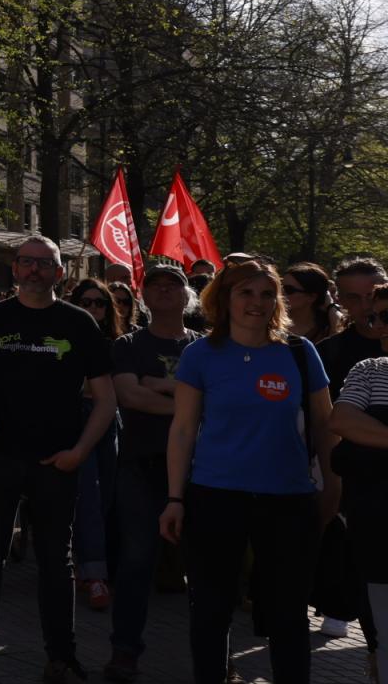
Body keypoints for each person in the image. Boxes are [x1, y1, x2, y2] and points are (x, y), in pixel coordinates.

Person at [0, 236, 115, 683]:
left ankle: (61, 659)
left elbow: (107, 400)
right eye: (28, 262)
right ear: (15, 269)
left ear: (60, 272)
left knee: (56, 564)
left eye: (45, 264)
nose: (35, 270)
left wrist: (79, 451)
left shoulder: (78, 323)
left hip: (57, 464)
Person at [161, 259, 334, 684]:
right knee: (211, 611)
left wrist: (332, 490)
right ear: (224, 299)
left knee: (288, 615)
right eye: (245, 293)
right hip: (215, 497)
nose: (257, 303)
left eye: (266, 293)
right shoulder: (200, 353)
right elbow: (183, 430)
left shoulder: (299, 352)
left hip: (288, 500)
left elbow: (327, 427)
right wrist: (175, 498)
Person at [100, 264, 200, 682]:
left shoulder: (206, 347)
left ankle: (216, 655)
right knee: (136, 563)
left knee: (207, 568)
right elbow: (129, 395)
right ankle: (125, 652)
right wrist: (190, 402)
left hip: (201, 472)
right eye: (154, 284)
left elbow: (211, 398)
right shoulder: (127, 345)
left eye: (172, 284)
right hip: (141, 466)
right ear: (143, 295)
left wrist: (158, 387)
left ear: (187, 296)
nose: (163, 289)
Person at [313, 267, 388, 648]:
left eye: (373, 298)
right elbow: (336, 419)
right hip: (364, 504)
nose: (376, 319)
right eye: (355, 299)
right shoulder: (349, 360)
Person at [327, 299, 388, 684]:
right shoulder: (369, 369)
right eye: (377, 316)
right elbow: (342, 419)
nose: (380, 325)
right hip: (377, 523)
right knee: (382, 632)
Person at [69, 278, 125, 614]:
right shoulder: (63, 338)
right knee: (87, 493)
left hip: (111, 421)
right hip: (77, 419)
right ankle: (96, 574)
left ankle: (87, 560)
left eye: (99, 303)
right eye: (85, 302)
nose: (92, 308)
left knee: (107, 497)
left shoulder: (117, 344)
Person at [284, 262, 341, 342]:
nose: (281, 294)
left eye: (289, 290)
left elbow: (341, 335)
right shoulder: (271, 322)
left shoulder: (326, 328)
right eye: (280, 288)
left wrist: (331, 306)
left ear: (312, 297)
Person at [336, 257, 388, 330]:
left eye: (371, 295)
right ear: (340, 300)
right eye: (354, 298)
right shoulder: (333, 341)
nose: (365, 306)